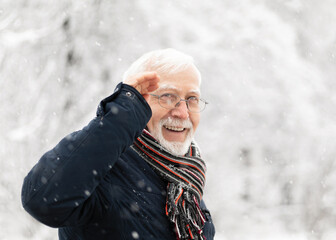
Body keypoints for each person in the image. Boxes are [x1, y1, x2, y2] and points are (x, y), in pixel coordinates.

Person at [21, 49, 215, 240]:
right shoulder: (103, 168)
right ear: (140, 102)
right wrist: (121, 116)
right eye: (167, 96)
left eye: (191, 99)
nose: (182, 113)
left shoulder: (186, 181)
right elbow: (42, 199)